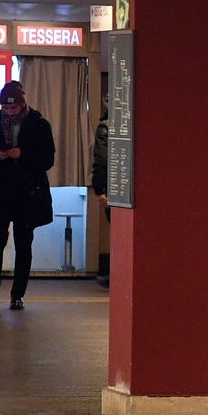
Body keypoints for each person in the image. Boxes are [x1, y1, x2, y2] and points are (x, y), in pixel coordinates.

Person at [0, 80, 56, 310]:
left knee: (23, 245)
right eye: (5, 108)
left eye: (13, 108)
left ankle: (17, 295)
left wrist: (23, 154)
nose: (9, 112)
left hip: (28, 193)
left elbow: (48, 159)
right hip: (0, 191)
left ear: (22, 105)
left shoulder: (40, 125)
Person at [89, 99, 110, 287]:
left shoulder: (105, 128)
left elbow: (101, 160)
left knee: (118, 232)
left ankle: (116, 275)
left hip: (113, 188)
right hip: (135, 189)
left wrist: (100, 189)